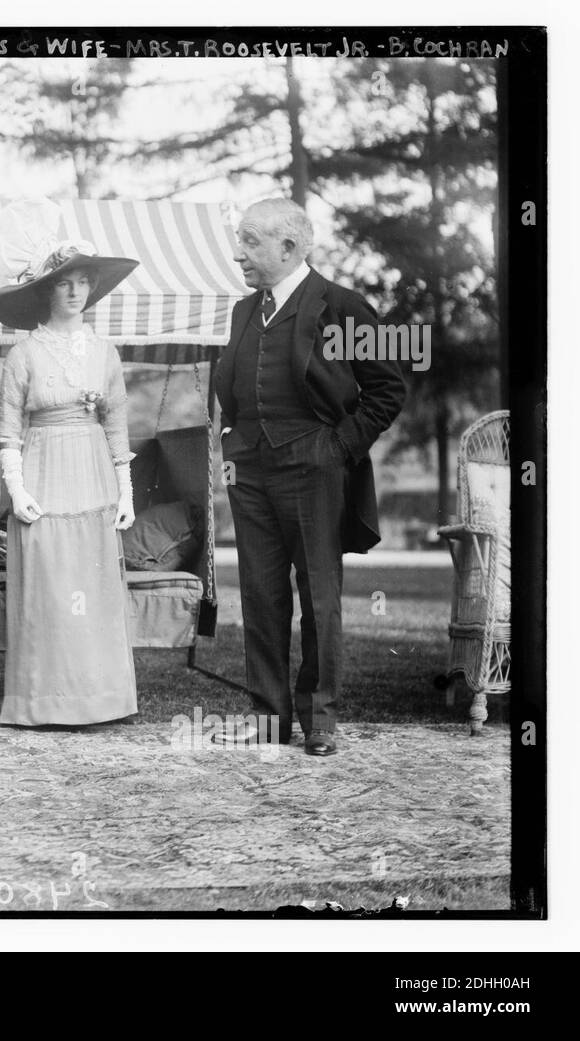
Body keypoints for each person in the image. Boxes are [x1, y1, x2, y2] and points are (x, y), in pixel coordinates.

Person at [215, 198, 406, 757]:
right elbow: (233, 388)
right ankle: (268, 715)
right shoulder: (243, 312)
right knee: (260, 591)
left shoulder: (346, 307)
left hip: (315, 466)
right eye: (240, 240)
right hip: (250, 469)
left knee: (318, 593)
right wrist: (234, 441)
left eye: (250, 241)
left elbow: (388, 390)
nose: (239, 253)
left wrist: (337, 448)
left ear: (290, 247)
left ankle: (319, 719)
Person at [0, 217, 140, 727]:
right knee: (49, 587)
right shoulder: (24, 353)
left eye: (83, 282)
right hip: (43, 473)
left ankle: (99, 699)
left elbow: (117, 422)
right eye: (64, 282)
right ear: (45, 290)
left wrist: (126, 493)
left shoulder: (105, 352)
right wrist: (17, 487)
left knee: (90, 586)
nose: (75, 291)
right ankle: (44, 701)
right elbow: (7, 428)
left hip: (93, 471)